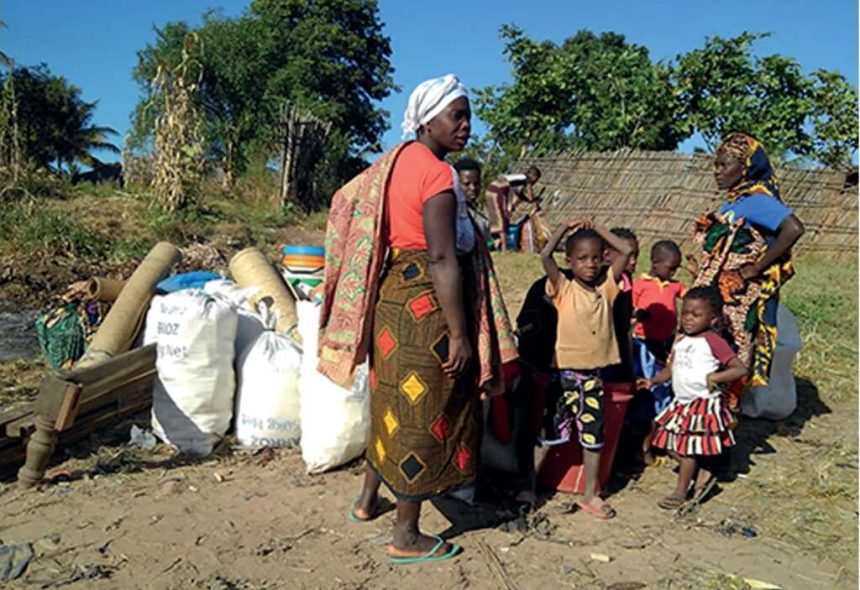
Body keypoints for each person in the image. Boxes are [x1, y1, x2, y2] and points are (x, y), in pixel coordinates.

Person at [318, 74, 517, 564]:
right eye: (457, 115)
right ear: (427, 118)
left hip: (391, 301)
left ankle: (367, 502)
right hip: (426, 306)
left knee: (390, 406)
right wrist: (459, 333)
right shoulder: (434, 174)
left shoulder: (391, 165)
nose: (466, 125)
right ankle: (406, 534)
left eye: (469, 115)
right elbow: (443, 258)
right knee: (424, 414)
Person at [692, 132, 804, 409]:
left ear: (745, 168)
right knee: (712, 352)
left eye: (724, 165)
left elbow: (793, 228)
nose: (717, 171)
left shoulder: (757, 200)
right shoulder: (734, 201)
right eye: (716, 164)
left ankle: (723, 430)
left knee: (732, 354)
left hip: (739, 298)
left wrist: (756, 268)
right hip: (720, 293)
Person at [536, 219, 633, 519]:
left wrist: (598, 227)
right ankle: (529, 486)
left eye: (595, 257)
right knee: (547, 436)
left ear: (604, 257)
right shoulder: (562, 288)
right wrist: (564, 229)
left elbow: (626, 250)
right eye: (581, 258)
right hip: (562, 378)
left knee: (593, 439)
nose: (590, 264)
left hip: (592, 380)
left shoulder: (607, 289)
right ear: (570, 261)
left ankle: (591, 494)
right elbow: (544, 257)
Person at [638, 287, 748, 509]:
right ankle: (702, 472)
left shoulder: (713, 341)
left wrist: (716, 376)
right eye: (685, 313)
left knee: (687, 449)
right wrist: (653, 381)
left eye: (696, 315)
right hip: (682, 403)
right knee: (668, 442)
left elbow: (739, 369)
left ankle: (680, 492)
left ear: (713, 318)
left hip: (702, 404)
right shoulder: (681, 340)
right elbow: (672, 368)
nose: (688, 319)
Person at [630, 240, 687, 462]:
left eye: (676, 268)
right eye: (671, 267)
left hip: (665, 344)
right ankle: (642, 444)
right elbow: (629, 312)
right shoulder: (640, 285)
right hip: (642, 344)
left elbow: (694, 297)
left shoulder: (675, 286)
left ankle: (657, 438)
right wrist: (639, 315)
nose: (673, 271)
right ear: (655, 263)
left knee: (662, 389)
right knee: (646, 388)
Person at [454, 157, 491, 247]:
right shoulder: (453, 216)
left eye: (476, 183)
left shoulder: (477, 215)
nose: (473, 188)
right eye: (466, 184)